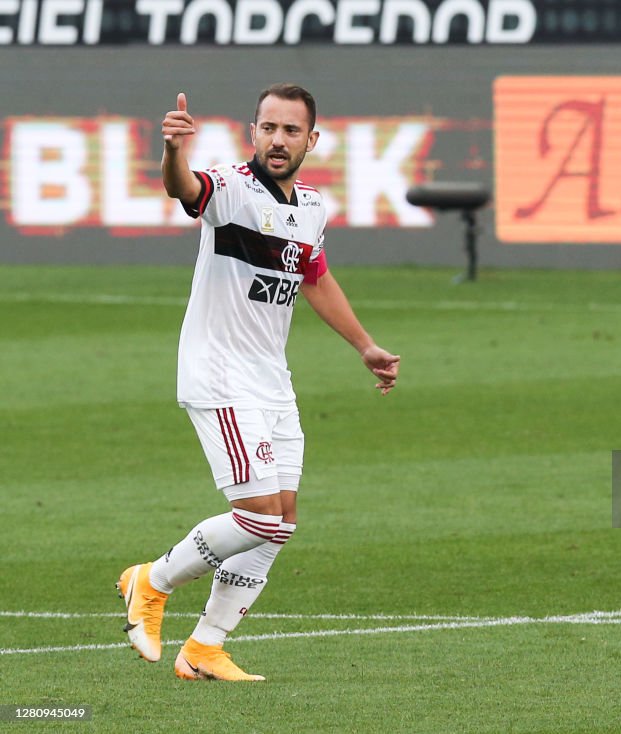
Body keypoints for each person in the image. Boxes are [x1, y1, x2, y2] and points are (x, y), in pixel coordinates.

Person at [117, 84, 400, 680]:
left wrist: (365, 345)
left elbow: (316, 279)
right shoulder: (230, 189)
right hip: (219, 375)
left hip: (271, 379)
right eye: (268, 127)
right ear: (254, 133)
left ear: (311, 141)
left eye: (291, 130)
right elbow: (182, 188)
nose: (278, 139)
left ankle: (205, 649)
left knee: (282, 520)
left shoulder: (313, 208)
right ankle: (151, 580)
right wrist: (172, 150)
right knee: (259, 517)